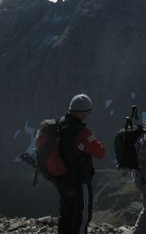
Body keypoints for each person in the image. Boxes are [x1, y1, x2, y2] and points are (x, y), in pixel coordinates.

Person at [57, 93, 105, 234]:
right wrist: (91, 140)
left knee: (65, 214)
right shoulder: (82, 133)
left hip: (62, 179)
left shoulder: (59, 124)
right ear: (84, 113)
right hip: (79, 180)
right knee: (82, 216)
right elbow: (100, 152)